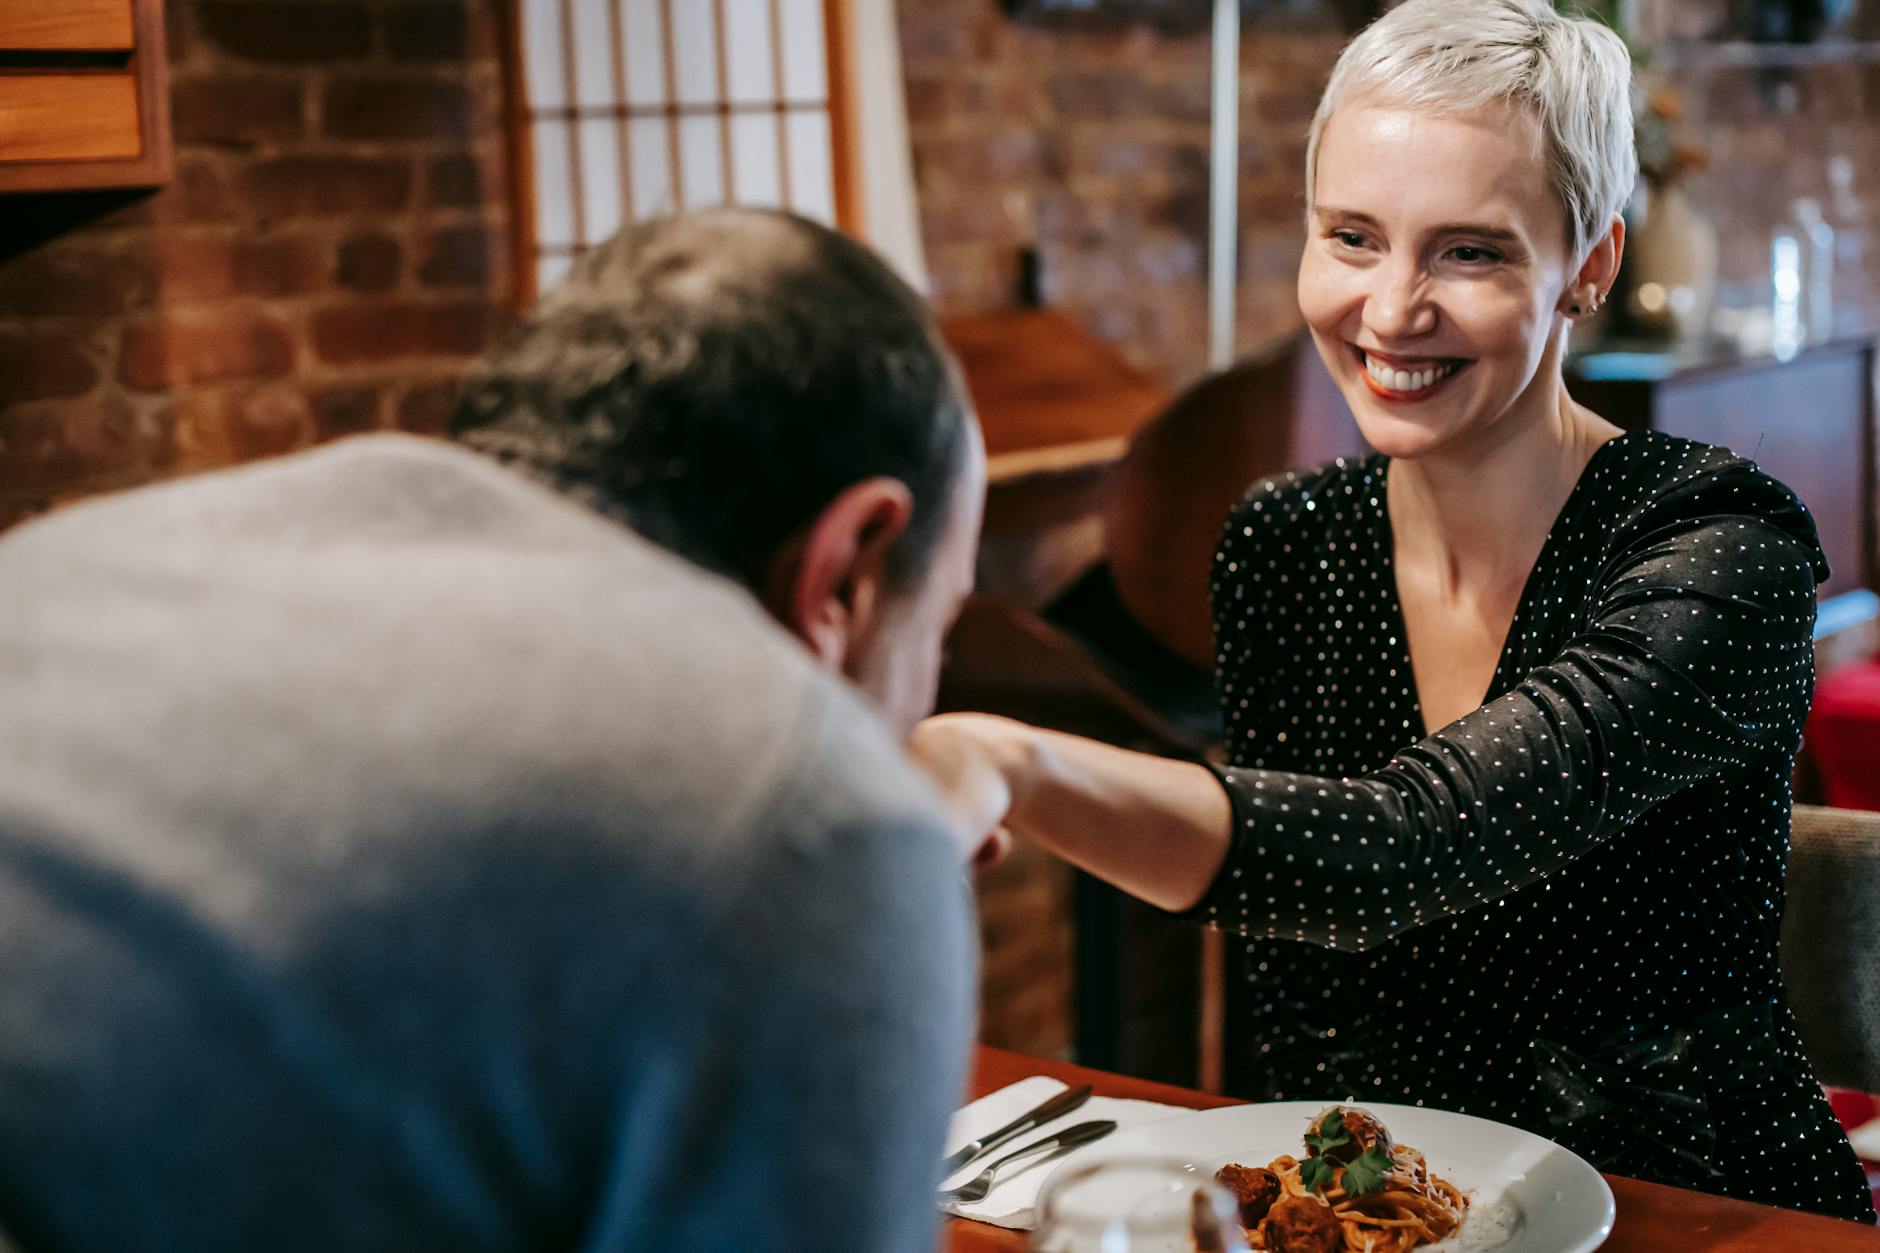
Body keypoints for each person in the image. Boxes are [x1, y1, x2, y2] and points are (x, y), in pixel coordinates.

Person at [913, 0, 1876, 1223]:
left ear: (1587, 263)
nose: (1388, 309)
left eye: (1467, 251)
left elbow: (1398, 848)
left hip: (1693, 1210)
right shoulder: (1284, 546)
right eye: (1351, 236)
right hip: (1396, 1215)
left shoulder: (1718, 549)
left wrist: (1008, 759)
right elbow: (1301, 1002)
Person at [0, 208, 986, 1251]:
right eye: (944, 623)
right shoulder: (808, 812)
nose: (926, 688)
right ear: (848, 567)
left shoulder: (81, 553)